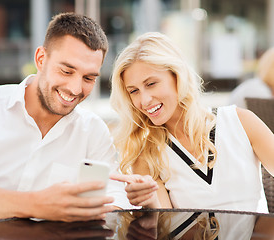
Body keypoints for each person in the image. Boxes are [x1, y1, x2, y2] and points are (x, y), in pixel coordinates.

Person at [0, 12, 134, 231]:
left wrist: (132, 198)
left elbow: (114, 198)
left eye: (88, 78)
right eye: (66, 71)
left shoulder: (93, 130)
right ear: (40, 59)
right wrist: (40, 206)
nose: (75, 89)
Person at [109, 32, 274, 213]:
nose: (144, 100)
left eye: (151, 84)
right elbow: (164, 226)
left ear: (177, 76)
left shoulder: (241, 122)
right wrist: (149, 201)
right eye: (133, 91)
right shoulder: (147, 155)